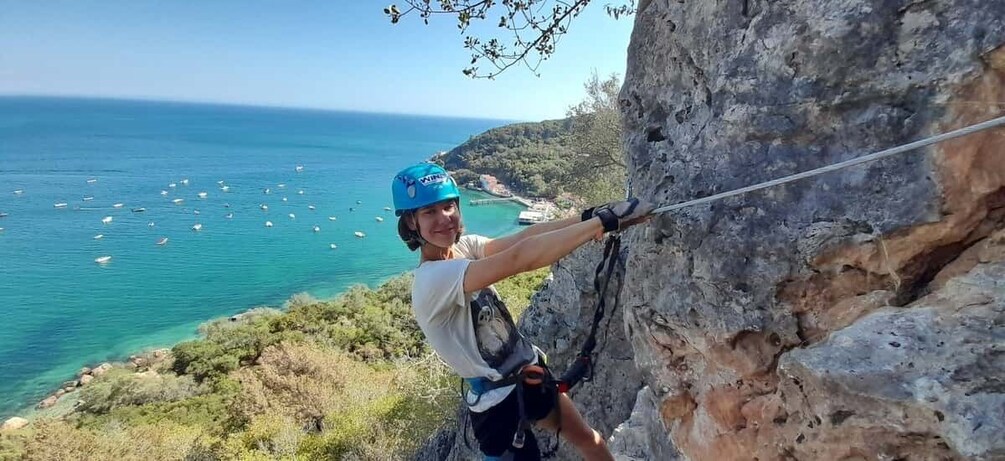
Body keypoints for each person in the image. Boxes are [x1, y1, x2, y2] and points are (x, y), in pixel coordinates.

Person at [392, 163, 653, 461]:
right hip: (495, 405)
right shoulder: (432, 281)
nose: (444, 219)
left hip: (528, 374)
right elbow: (519, 259)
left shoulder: (465, 247)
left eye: (449, 206)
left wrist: (588, 216)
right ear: (412, 222)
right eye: (429, 212)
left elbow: (523, 239)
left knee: (590, 440)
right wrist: (602, 223)